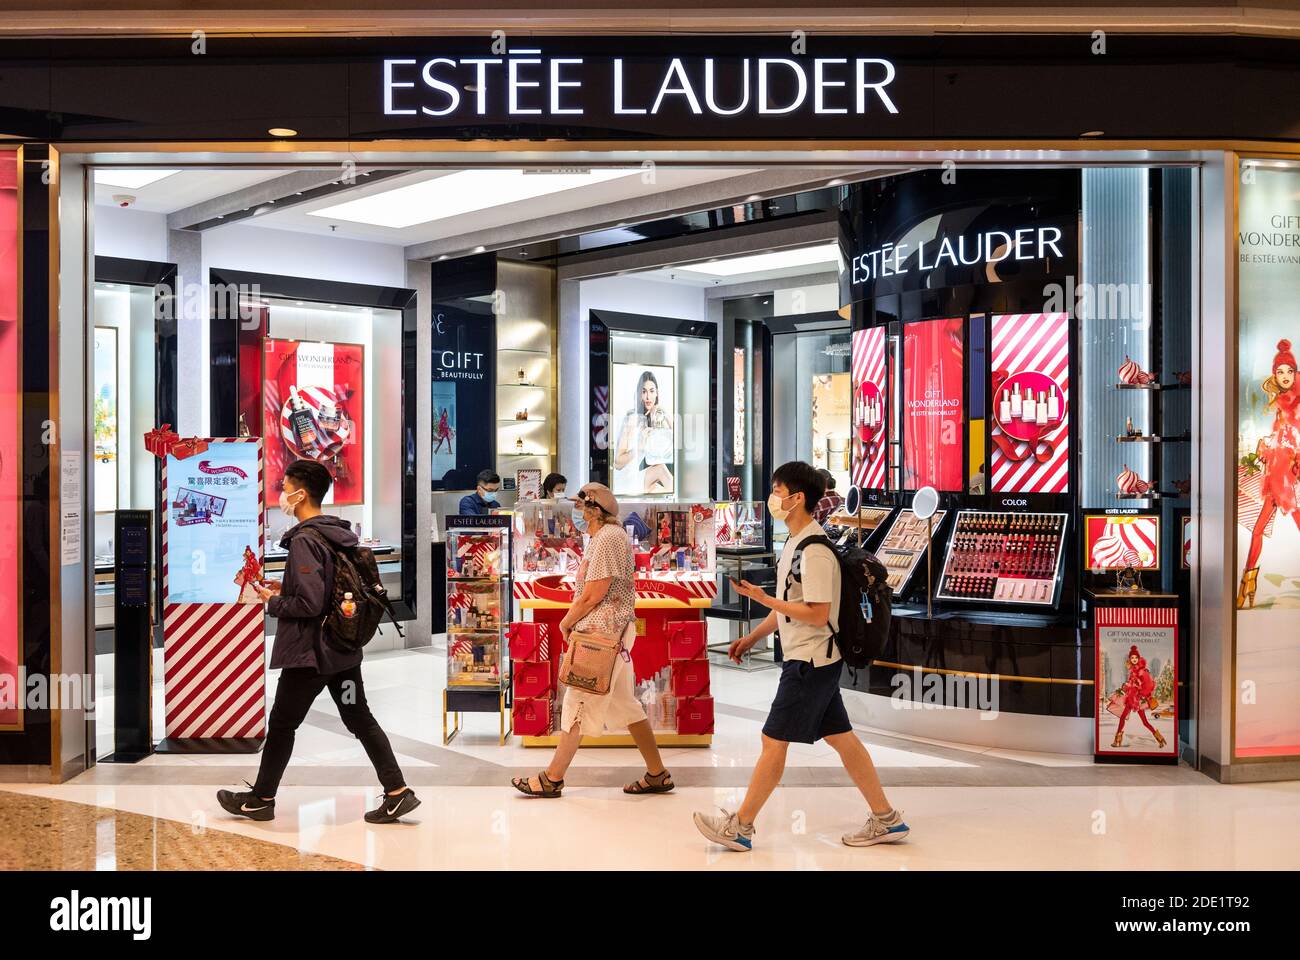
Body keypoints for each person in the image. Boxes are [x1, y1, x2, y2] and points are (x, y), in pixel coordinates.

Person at [693, 460, 908, 852]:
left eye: (778, 492)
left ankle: (741, 826)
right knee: (843, 739)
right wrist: (754, 636)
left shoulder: (816, 552)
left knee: (773, 740)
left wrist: (762, 598)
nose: (774, 498)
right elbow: (789, 606)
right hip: (811, 660)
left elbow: (817, 612)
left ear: (797, 498)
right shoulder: (794, 542)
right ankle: (887, 818)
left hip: (810, 662)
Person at [217, 460, 419, 824]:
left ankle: (261, 799)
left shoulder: (306, 540)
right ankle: (397, 792)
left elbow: (309, 603)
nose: (281, 495)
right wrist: (287, 587)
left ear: (301, 493)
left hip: (310, 656)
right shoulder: (336, 533)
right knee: (360, 718)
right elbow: (324, 590)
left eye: (284, 487)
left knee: (282, 724)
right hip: (342, 651)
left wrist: (272, 600)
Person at [511, 482, 674, 798]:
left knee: (577, 701)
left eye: (581, 506)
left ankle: (552, 778)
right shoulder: (605, 537)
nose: (577, 512)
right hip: (612, 633)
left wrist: (566, 621)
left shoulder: (607, 539)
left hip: (602, 632)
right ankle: (658, 774)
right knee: (627, 705)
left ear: (594, 510)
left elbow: (594, 594)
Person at [1238, 339, 1300, 607]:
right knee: (1258, 529)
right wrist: (1267, 445)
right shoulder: (1281, 403)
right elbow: (1282, 436)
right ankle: (1247, 583)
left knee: (1263, 528)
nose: (1284, 377)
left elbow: (1293, 437)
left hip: (1289, 474)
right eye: (1280, 372)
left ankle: (1246, 586)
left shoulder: (1295, 403)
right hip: (1277, 472)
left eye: (1289, 371)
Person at [613, 369, 674, 494]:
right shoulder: (632, 418)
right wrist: (639, 447)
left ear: (657, 393)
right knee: (661, 471)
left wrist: (666, 414)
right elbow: (618, 463)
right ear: (639, 394)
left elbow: (677, 441)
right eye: (644, 391)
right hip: (624, 480)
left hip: (638, 477)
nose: (648, 397)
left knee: (661, 489)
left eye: (652, 391)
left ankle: (685, 507)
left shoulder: (652, 419)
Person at [1111, 645, 1166, 749]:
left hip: (1137, 700)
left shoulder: (1142, 671)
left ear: (1139, 658)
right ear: (1130, 659)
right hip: (1132, 699)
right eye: (1132, 658)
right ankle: (1117, 741)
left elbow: (1149, 686)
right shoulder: (1133, 671)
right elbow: (1132, 685)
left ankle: (1160, 739)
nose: (1134, 659)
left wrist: (1140, 694)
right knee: (1124, 718)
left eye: (1136, 658)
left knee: (1144, 722)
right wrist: (1126, 687)